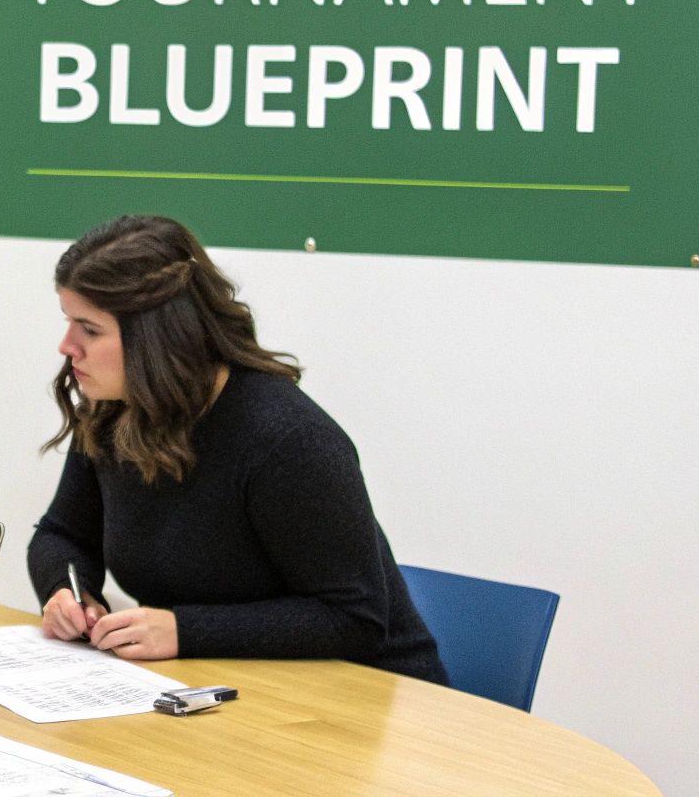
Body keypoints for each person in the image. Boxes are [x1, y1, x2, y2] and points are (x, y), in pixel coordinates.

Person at [26, 215, 446, 683]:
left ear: (157, 336)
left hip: (366, 696)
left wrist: (185, 631)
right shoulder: (117, 412)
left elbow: (356, 619)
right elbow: (62, 535)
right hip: (234, 686)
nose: (67, 347)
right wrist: (67, 591)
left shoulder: (289, 440)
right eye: (69, 323)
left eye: (89, 329)